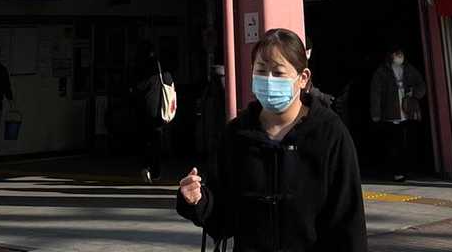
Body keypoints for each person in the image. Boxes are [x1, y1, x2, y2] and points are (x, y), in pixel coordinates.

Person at [177, 28, 366, 252]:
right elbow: (223, 219)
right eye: (261, 70)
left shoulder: (329, 133)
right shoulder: (236, 134)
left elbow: (348, 222)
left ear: (303, 78)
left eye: (278, 73)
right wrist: (197, 200)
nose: (268, 80)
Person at [370, 46, 426, 182]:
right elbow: (375, 94)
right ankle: (397, 171)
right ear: (390, 55)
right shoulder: (381, 72)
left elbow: (421, 85)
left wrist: (414, 93)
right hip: (391, 113)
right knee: (394, 144)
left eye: (401, 53)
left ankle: (409, 169)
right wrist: (375, 113)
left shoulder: (409, 69)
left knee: (409, 142)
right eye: (396, 54)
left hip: (409, 111)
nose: (399, 56)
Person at [133, 41, 172, 183]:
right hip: (160, 110)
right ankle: (156, 172)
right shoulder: (162, 69)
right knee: (157, 141)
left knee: (146, 140)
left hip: (146, 110)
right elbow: (170, 83)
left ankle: (146, 167)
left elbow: (139, 87)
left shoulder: (144, 69)